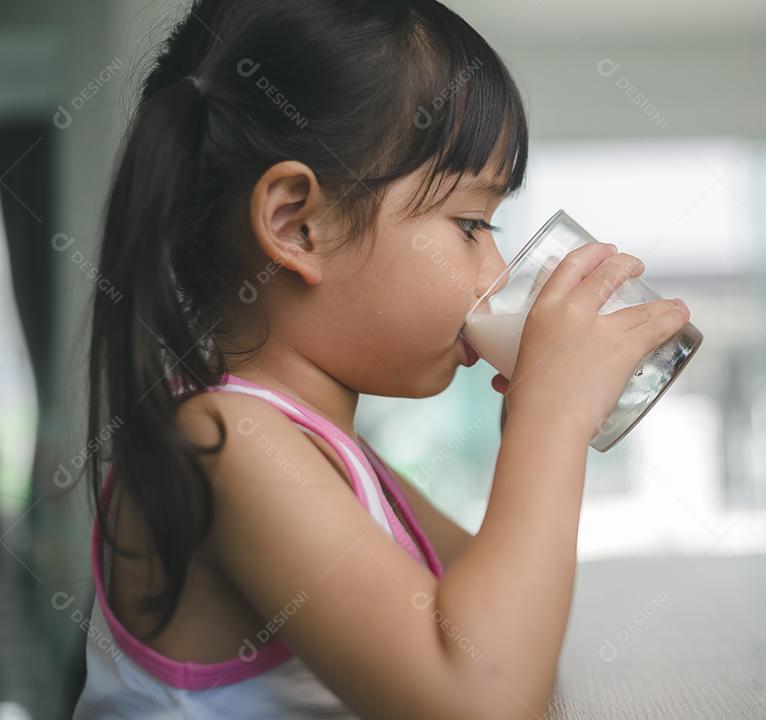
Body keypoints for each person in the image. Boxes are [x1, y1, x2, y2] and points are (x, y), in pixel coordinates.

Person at [73, 1, 690, 717]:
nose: (495, 271)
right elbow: (481, 699)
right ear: (297, 225)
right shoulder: (226, 444)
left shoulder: (331, 456)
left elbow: (511, 630)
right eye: (470, 225)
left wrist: (536, 413)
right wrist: (552, 419)